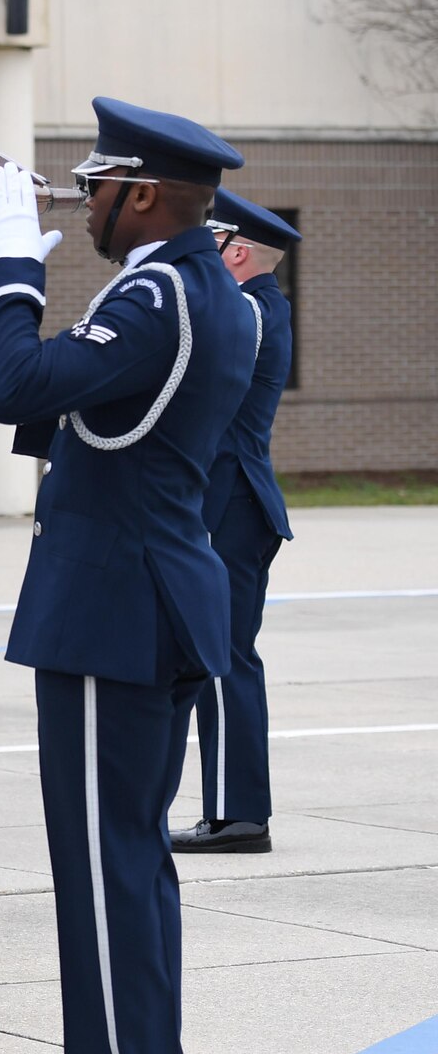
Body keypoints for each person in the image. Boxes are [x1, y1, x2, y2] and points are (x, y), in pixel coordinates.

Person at [0, 100, 255, 1054]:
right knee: (125, 866)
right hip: (140, 594)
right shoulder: (201, 288)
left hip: (114, 604)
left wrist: (7, 261)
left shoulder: (156, 290)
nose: (84, 199)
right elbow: (93, 411)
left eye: (96, 184)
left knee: (107, 870)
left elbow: (33, 380)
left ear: (141, 193)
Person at [172, 193, 301, 856]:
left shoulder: (249, 310)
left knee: (223, 658)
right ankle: (234, 810)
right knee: (220, 656)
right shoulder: (256, 309)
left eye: (210, 242)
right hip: (228, 503)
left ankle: (238, 816)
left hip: (232, 505)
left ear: (237, 251)